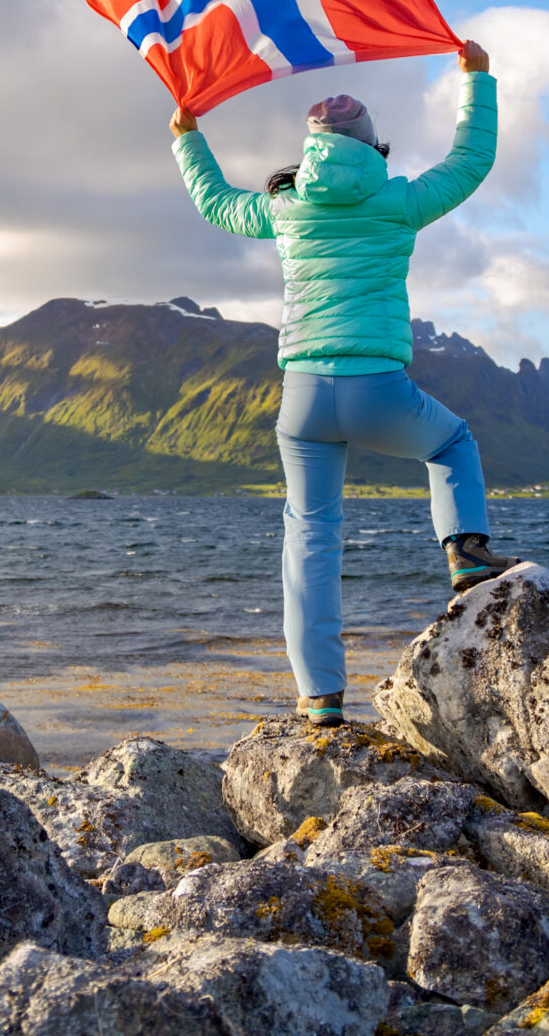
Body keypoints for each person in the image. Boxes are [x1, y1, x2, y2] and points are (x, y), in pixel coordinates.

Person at [169, 41, 513, 726]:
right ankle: (466, 555)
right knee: (450, 442)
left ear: (312, 149)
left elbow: (215, 203)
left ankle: (319, 698)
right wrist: (476, 80)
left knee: (310, 537)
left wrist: (187, 137)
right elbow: (469, 163)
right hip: (378, 386)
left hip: (303, 398)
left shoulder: (285, 207)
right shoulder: (398, 199)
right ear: (371, 146)